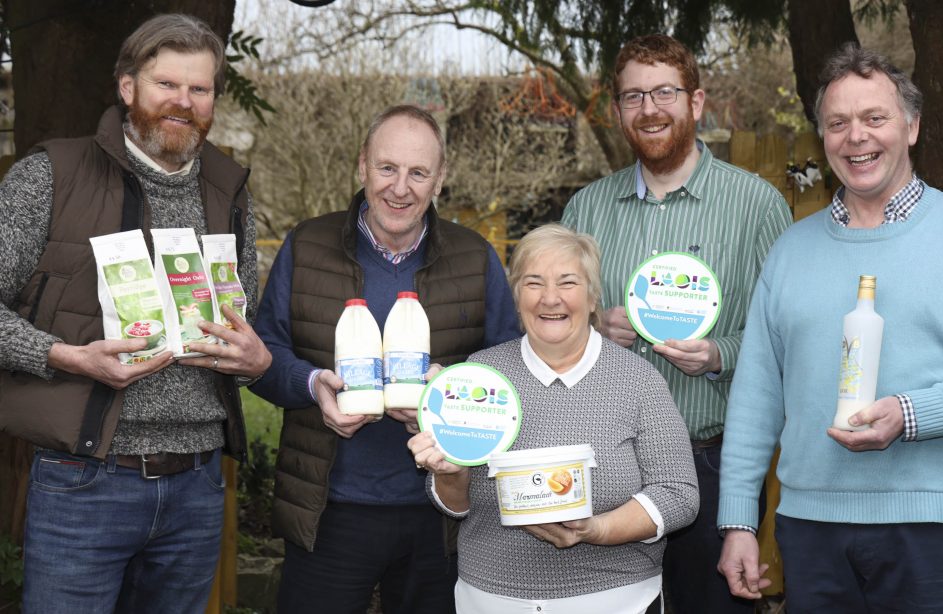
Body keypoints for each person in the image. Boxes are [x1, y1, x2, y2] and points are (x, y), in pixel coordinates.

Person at [716, 44, 943, 613]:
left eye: (874, 118)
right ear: (823, 137)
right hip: (810, 528)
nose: (855, 136)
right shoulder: (790, 252)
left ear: (911, 127)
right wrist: (737, 518)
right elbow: (756, 391)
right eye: (838, 123)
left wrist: (911, 414)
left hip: (934, 525)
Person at [0, 13, 271, 613]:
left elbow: (241, 324)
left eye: (199, 89)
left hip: (198, 485)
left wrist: (255, 359)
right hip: (84, 481)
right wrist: (63, 355)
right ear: (128, 88)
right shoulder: (51, 175)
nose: (183, 102)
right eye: (166, 85)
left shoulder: (230, 191)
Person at [249, 104, 520, 613]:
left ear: (440, 179)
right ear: (362, 166)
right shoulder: (307, 246)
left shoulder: (475, 256)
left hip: (440, 518)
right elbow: (264, 359)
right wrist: (313, 386)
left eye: (418, 172)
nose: (401, 188)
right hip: (328, 511)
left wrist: (452, 391)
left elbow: (509, 372)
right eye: (387, 168)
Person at [560, 33, 791, 613]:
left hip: (711, 461)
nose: (650, 109)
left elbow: (785, 336)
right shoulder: (585, 210)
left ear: (696, 101)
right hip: (605, 462)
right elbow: (549, 331)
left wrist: (719, 355)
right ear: (617, 112)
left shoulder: (756, 205)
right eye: (633, 97)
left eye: (664, 92)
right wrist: (590, 333)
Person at [408, 223, 699, 613]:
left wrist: (597, 529)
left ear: (593, 297)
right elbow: (455, 505)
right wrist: (449, 472)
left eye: (567, 283)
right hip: (491, 599)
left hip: (614, 600)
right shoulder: (479, 376)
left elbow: (679, 494)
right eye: (533, 283)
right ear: (516, 297)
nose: (550, 299)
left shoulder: (639, 380)